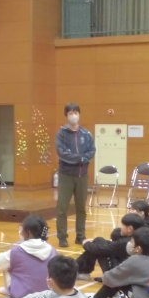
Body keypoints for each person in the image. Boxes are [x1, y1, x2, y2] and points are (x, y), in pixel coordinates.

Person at [87, 226, 149, 298]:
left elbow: (109, 278)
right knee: (120, 277)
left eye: (132, 241)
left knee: (117, 278)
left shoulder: (135, 260)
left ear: (138, 248)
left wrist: (106, 274)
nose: (130, 243)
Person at [55, 102, 96, 248]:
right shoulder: (61, 134)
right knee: (62, 208)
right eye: (71, 113)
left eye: (76, 113)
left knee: (81, 208)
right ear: (66, 115)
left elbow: (92, 151)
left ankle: (80, 236)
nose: (74, 116)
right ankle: (62, 237)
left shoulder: (86, 134)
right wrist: (79, 158)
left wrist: (83, 158)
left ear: (79, 114)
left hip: (82, 175)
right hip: (66, 175)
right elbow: (62, 153)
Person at [0, 214, 57, 298]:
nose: (20, 232)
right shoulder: (53, 250)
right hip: (47, 296)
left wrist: (15, 247)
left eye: (21, 229)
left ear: (28, 232)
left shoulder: (17, 251)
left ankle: (10, 290)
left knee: (5, 264)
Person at [76, 213, 145, 282]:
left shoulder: (127, 243)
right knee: (99, 241)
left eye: (123, 225)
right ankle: (82, 271)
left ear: (130, 229)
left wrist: (85, 243)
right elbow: (114, 239)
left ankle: (78, 270)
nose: (121, 227)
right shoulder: (138, 237)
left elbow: (102, 249)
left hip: (120, 276)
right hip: (129, 272)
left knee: (99, 247)